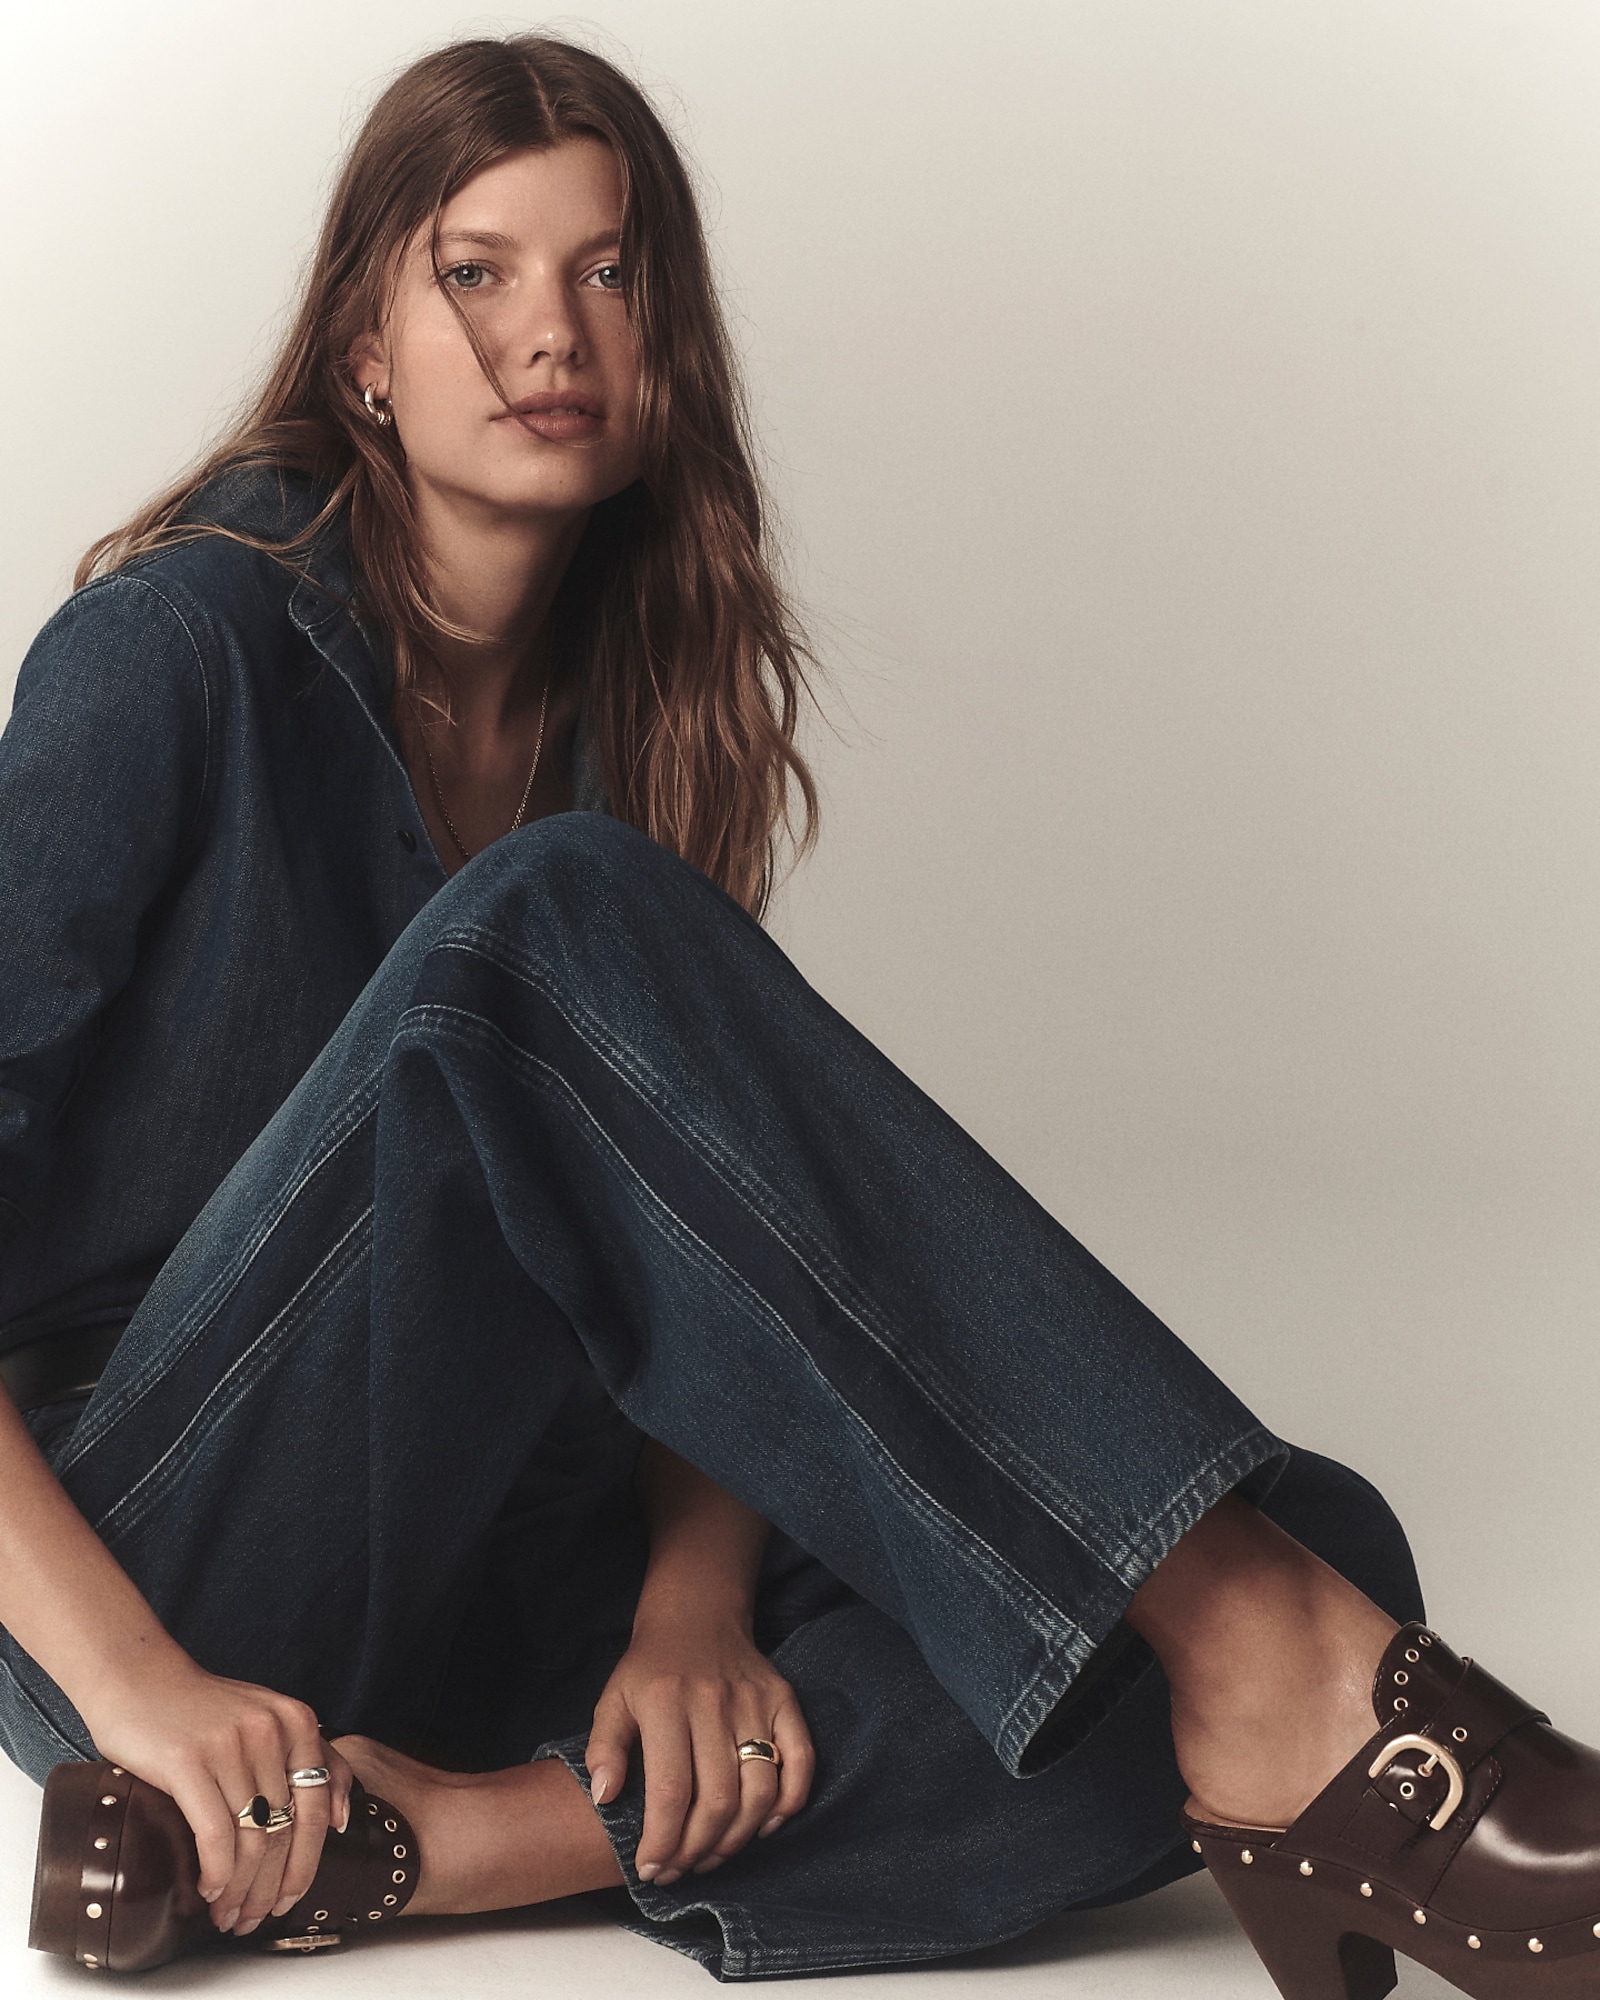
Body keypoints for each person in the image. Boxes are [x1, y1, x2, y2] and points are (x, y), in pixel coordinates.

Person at [0, 32, 1591, 1998]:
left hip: (502, 1531)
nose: (547, 330)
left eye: (606, 271)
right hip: (164, 1548)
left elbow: (718, 1232)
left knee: (1264, 1544)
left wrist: (693, 1596)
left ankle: (441, 1842)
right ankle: (1303, 1701)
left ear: (665, 351)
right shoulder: (169, 652)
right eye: (476, 271)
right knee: (552, 922)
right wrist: (139, 1690)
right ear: (359, 354)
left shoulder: (625, 705)